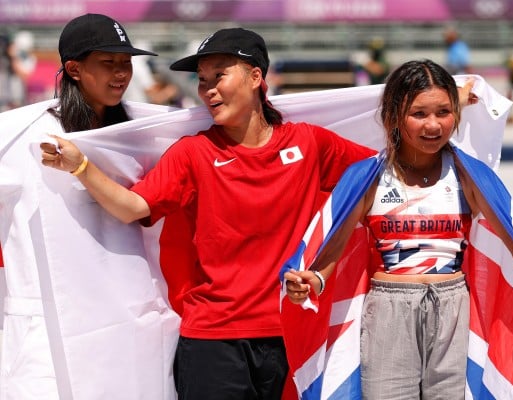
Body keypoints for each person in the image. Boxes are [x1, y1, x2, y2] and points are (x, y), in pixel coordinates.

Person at [39, 27, 377, 399]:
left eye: (219, 75)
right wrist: (81, 166)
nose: (207, 89)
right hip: (213, 341)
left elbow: (381, 178)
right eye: (201, 80)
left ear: (255, 77)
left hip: (293, 336)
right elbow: (132, 208)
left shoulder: (309, 143)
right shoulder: (192, 153)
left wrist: (325, 264)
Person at [284, 59, 513, 399]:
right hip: (388, 313)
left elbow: (512, 233)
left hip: (454, 311)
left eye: (444, 112)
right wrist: (312, 280)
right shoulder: (369, 177)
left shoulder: (468, 175)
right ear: (394, 116)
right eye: (419, 114)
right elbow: (329, 249)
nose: (433, 125)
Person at [0, 13, 182, 400]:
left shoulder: (142, 133)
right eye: (109, 63)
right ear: (74, 69)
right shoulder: (22, 134)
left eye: (126, 64)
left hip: (129, 318)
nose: (121, 74)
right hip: (49, 323)